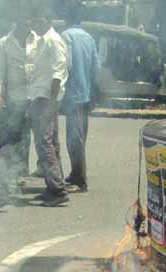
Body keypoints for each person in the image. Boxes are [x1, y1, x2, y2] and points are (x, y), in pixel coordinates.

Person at [27, 7, 69, 205]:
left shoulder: (53, 40)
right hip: (40, 98)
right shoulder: (41, 41)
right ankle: (52, 186)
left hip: (47, 99)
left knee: (45, 144)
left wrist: (51, 101)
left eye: (36, 18)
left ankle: (58, 190)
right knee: (50, 143)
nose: (33, 23)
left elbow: (58, 72)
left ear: (46, 19)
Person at [0, 16, 36, 190]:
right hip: (10, 99)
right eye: (24, 20)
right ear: (17, 22)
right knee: (6, 138)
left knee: (24, 138)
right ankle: (3, 176)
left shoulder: (37, 40)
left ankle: (19, 175)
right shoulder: (4, 43)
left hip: (31, 98)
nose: (28, 23)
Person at [61, 2, 100, 193]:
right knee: (80, 136)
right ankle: (75, 173)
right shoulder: (89, 37)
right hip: (85, 95)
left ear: (67, 17)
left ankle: (80, 181)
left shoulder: (66, 36)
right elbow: (95, 68)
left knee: (74, 139)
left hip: (73, 96)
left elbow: (64, 66)